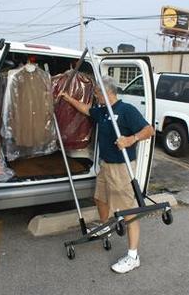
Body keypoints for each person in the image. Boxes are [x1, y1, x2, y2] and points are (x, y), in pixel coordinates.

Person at [59, 75, 155, 274]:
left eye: (96, 94)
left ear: (106, 92)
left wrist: (131, 140)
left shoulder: (126, 110)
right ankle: (105, 227)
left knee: (129, 212)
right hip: (105, 165)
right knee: (100, 198)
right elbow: (86, 110)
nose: (95, 97)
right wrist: (68, 98)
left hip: (121, 168)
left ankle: (133, 256)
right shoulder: (102, 111)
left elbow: (149, 130)